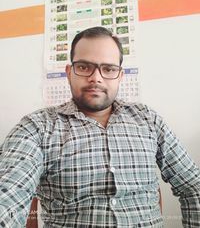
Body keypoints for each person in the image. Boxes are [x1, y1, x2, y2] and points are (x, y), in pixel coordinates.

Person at [0, 26, 199, 227]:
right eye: (85, 67)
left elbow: (192, 185)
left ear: (120, 75)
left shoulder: (148, 120)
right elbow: (8, 194)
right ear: (69, 72)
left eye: (108, 69)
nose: (96, 77)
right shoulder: (37, 128)